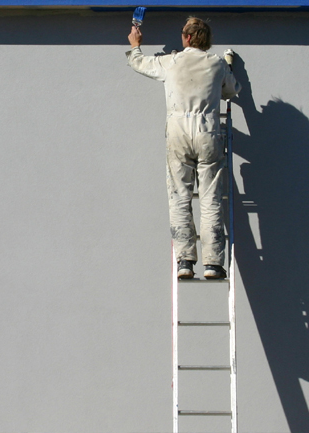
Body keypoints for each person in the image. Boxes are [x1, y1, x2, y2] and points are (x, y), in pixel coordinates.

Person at [127, 17, 240, 279]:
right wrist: (227, 70)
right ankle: (213, 264)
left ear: (188, 37)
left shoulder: (172, 62)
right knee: (211, 198)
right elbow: (232, 90)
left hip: (178, 132)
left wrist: (135, 44)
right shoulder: (216, 63)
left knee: (179, 196)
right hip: (208, 131)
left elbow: (139, 63)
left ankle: (185, 261)